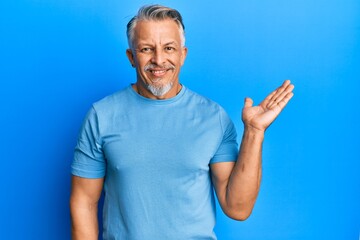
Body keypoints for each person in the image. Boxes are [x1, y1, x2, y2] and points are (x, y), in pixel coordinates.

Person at [70, 4, 294, 240]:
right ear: (131, 57)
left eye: (169, 48)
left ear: (182, 54)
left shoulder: (213, 117)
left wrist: (254, 131)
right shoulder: (101, 115)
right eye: (147, 49)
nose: (159, 60)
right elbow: (83, 202)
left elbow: (237, 207)